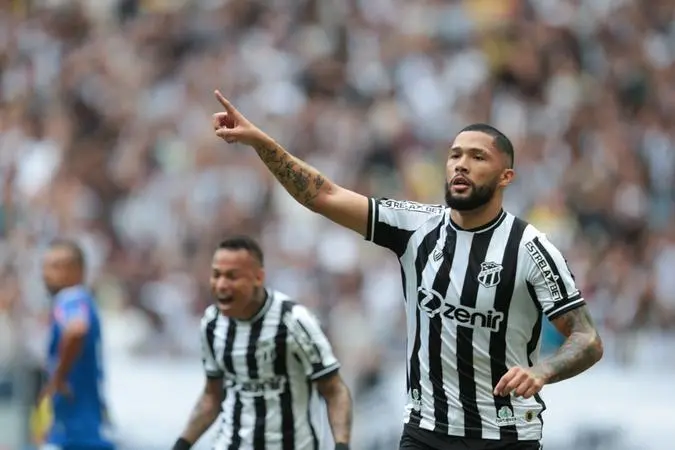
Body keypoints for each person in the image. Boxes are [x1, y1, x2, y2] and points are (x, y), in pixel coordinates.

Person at [209, 91, 604, 450]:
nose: (461, 165)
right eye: (455, 155)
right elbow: (323, 195)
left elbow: (587, 338)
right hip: (424, 432)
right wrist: (260, 142)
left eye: (478, 157)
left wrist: (543, 370)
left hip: (505, 437)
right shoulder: (416, 227)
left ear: (506, 176)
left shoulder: (530, 248)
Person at [172, 236, 353, 450]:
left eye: (232, 276)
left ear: (258, 278)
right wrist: (181, 444)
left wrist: (341, 445)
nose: (221, 284)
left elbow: (334, 390)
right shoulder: (212, 324)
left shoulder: (293, 321)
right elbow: (213, 395)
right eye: (216, 275)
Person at [38, 239, 115, 450]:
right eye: (45, 266)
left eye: (56, 266)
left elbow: (76, 329)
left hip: (77, 434)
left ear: (78, 271)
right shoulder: (84, 300)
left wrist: (58, 376)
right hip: (82, 428)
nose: (46, 274)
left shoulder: (71, 297)